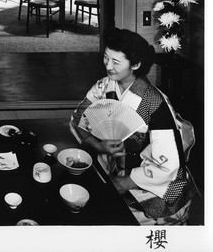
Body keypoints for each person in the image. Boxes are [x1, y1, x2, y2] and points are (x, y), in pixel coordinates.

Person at [70, 28, 195, 225]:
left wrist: (124, 182)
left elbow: (169, 164)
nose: (108, 66)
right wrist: (97, 144)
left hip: (153, 182)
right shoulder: (104, 86)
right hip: (116, 169)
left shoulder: (154, 103)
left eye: (116, 62)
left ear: (136, 64)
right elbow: (79, 118)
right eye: (106, 58)